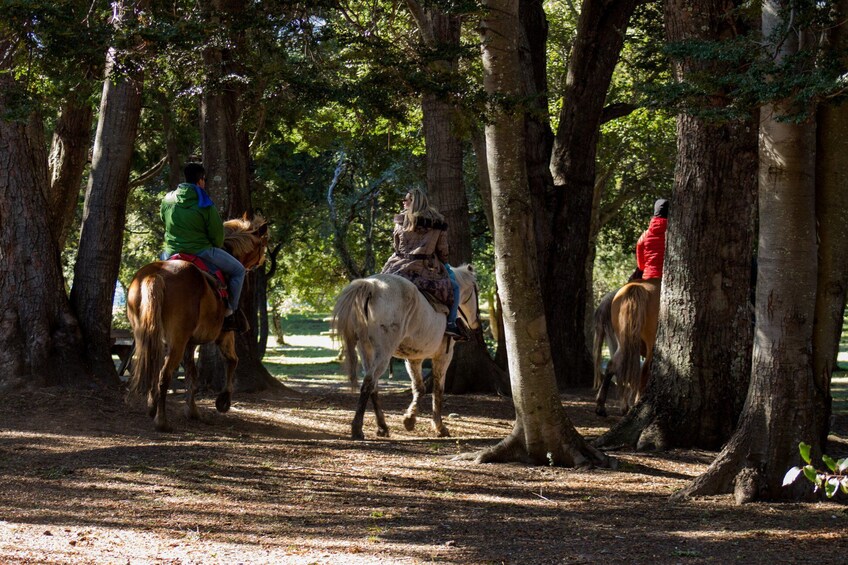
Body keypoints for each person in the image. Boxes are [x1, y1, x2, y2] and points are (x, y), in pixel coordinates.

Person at [161, 162, 245, 331]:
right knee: (239, 271)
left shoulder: (167, 199)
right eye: (204, 180)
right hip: (201, 250)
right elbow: (217, 236)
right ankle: (230, 311)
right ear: (200, 181)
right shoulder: (205, 202)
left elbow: (164, 220)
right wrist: (212, 244)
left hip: (170, 252)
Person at [381, 188, 466, 340]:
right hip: (426, 270)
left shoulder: (401, 221)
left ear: (415, 202)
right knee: (454, 287)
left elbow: (396, 245)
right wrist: (444, 262)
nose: (403, 202)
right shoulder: (438, 223)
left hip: (398, 268)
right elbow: (442, 250)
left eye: (407, 199)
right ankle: (451, 324)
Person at [629, 198, 668, 282]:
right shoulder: (674, 234)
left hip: (647, 277)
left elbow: (641, 266)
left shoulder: (644, 235)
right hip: (667, 278)